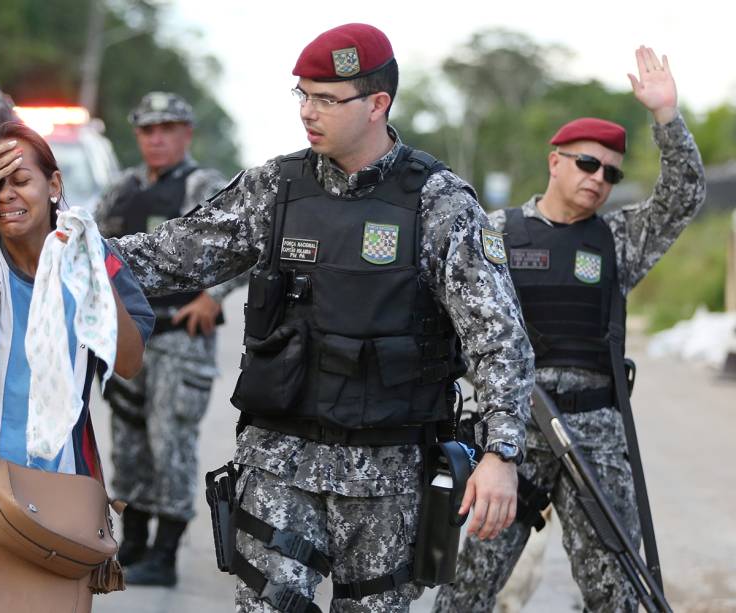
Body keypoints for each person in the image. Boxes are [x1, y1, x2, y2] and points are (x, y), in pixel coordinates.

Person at [111, 23, 534, 612]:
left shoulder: (440, 203)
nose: (308, 112)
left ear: (377, 104)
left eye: (327, 99)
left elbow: (498, 337)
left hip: (387, 476)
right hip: (278, 461)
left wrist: (500, 454)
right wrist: (61, 247)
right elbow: (171, 254)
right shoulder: (275, 189)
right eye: (302, 95)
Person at [433, 46, 706, 612]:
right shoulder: (494, 233)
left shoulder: (618, 239)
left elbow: (684, 198)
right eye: (587, 163)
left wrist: (666, 117)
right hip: (512, 436)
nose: (599, 179)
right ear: (554, 161)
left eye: (611, 172)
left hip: (595, 435)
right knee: (466, 590)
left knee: (616, 591)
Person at [0, 121, 154, 612]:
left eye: (19, 180)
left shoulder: (94, 258)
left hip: (65, 487)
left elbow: (128, 361)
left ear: (55, 185)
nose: (7, 196)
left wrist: (88, 271)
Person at [93, 91, 245, 587]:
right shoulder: (122, 188)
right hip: (129, 336)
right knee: (130, 443)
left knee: (170, 443)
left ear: (186, 133)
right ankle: (132, 542)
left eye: (167, 129)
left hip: (180, 335)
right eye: (147, 130)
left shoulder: (204, 185)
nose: (156, 139)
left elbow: (245, 245)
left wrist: (215, 296)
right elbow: (91, 247)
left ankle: (165, 553)